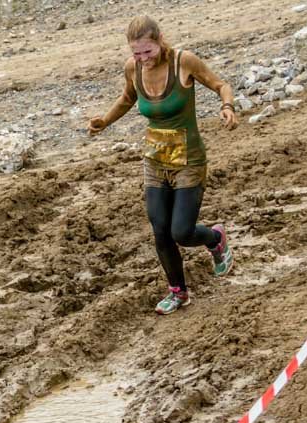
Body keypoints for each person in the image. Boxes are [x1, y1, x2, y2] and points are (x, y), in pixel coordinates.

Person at [88, 15, 237, 315]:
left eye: (148, 52)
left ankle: (215, 238)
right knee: (160, 230)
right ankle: (178, 292)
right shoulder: (133, 68)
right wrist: (104, 121)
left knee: (181, 231)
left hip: (188, 160)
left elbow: (222, 85)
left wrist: (227, 107)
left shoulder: (185, 62)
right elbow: (127, 98)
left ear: (159, 41)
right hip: (155, 159)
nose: (143, 59)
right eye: (137, 53)